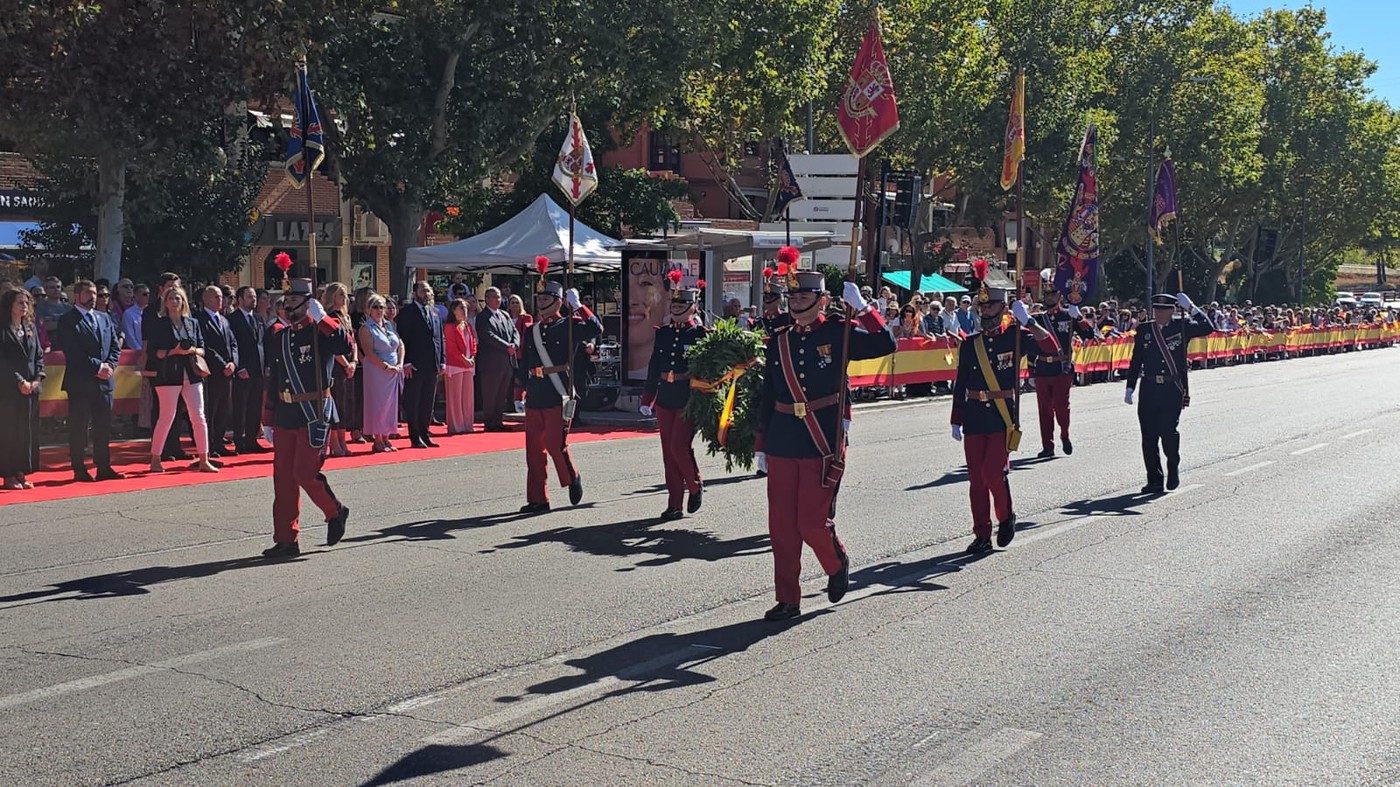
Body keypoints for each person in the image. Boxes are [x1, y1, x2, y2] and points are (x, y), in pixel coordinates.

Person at [754, 267, 895, 621]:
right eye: (792, 297)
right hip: (783, 438)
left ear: (822, 300)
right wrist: (761, 443)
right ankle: (788, 598)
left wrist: (863, 309)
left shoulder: (838, 332)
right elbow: (769, 393)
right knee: (782, 527)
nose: (796, 303)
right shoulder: (779, 340)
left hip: (821, 437)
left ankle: (836, 562)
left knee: (811, 522)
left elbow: (885, 344)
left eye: (803, 297)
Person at [949, 262, 1058, 554]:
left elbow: (1051, 349)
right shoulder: (970, 344)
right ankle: (982, 534)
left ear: (1002, 308)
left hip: (1001, 415)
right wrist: (956, 418)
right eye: (982, 307)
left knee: (993, 473)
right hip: (974, 415)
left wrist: (1030, 321)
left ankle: (1006, 515)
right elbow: (961, 383)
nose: (985, 311)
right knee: (976, 480)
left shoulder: (1015, 336)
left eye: (990, 306)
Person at [261, 279, 352, 558]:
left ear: (307, 303)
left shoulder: (321, 332)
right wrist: (267, 417)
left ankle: (335, 511)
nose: (288, 305)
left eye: (294, 301)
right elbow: (273, 379)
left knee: (304, 472)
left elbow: (344, 345)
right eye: (286, 301)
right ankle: (286, 539)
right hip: (286, 412)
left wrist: (323, 318)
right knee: (283, 479)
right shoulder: (280, 336)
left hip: (314, 412)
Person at [515, 279, 603, 513]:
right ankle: (538, 499)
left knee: (555, 444)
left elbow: (595, 328)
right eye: (539, 298)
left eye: (546, 298)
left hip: (558, 391)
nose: (541, 302)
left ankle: (572, 477)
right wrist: (519, 390)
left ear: (557, 302)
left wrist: (578, 307)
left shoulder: (569, 325)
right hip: (536, 392)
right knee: (534, 451)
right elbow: (525, 362)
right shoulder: (532, 330)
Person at [1124, 292, 1216, 494]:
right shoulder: (1145, 329)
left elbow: (1208, 328)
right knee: (1148, 436)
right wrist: (1130, 387)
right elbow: (1136, 359)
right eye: (1157, 310)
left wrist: (1191, 308)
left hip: (1171, 388)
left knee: (1168, 432)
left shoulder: (1182, 326)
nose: (1159, 314)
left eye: (1164, 310)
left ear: (1173, 310)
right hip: (1149, 387)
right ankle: (1154, 480)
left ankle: (1173, 466)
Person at [639, 278, 708, 521]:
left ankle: (695, 485)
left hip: (688, 397)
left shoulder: (700, 334)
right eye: (674, 304)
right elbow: (654, 366)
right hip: (665, 397)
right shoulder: (664, 333)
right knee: (668, 452)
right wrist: (648, 398)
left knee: (679, 446)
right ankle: (674, 504)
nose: (677, 308)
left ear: (692, 307)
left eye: (682, 305)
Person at [55, 280, 124, 482]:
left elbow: (114, 346)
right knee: (79, 427)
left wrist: (110, 365)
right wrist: (98, 367)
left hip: (104, 383)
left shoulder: (104, 317)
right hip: (81, 382)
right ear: (77, 295)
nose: (93, 297)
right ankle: (79, 469)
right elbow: (72, 351)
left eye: (94, 293)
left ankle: (103, 466)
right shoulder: (67, 320)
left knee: (103, 426)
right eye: (88, 293)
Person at [146, 286, 218, 474]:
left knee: (199, 416)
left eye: (178, 298)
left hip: (192, 374)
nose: (174, 302)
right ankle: (155, 458)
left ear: (183, 301)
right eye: (171, 298)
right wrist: (174, 351)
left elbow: (202, 348)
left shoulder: (192, 323)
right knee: (166, 416)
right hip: (168, 375)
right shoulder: (159, 325)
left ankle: (204, 459)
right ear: (165, 302)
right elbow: (153, 353)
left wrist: (191, 350)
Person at [1027, 283, 1096, 458]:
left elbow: (1089, 334)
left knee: (1061, 407)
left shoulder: (1068, 316)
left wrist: (1078, 317)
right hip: (1043, 368)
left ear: (1060, 296)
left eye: (1053, 293)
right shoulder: (1038, 319)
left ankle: (1065, 435)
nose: (1049, 297)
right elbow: (1029, 346)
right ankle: (1047, 446)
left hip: (1061, 369)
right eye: (1047, 294)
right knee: (1044, 410)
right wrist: (1031, 371)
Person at [0, 288, 44, 489]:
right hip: (8, 390)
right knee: (8, 431)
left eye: (27, 302)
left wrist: (37, 379)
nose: (24, 306)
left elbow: (39, 356)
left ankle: (21, 472)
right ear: (10, 305)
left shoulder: (30, 328)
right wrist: (19, 381)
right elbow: (3, 361)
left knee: (26, 432)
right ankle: (7, 474)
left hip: (30, 389)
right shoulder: (3, 329)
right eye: (20, 302)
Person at [396, 280, 444, 449]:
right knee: (414, 401)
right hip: (415, 365)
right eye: (423, 291)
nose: (427, 294)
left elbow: (440, 338)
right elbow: (403, 338)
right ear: (415, 293)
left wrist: (442, 361)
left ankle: (425, 433)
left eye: (429, 291)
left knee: (427, 402)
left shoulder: (434, 312)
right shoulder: (407, 312)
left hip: (432, 364)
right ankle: (415, 436)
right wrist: (406, 361)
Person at [195, 285, 240, 458]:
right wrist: (222, 365)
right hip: (212, 372)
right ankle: (209, 445)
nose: (220, 300)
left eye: (221, 297)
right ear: (205, 299)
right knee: (211, 409)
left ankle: (219, 442)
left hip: (228, 372)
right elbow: (206, 346)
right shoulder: (200, 320)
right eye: (216, 297)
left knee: (223, 408)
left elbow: (233, 343)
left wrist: (233, 363)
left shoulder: (224, 320)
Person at [359, 293, 403, 453]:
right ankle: (377, 439)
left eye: (381, 307)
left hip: (393, 370)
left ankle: (386, 437)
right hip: (377, 371)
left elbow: (400, 344)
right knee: (378, 404)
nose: (379, 310)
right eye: (375, 307)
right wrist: (386, 367)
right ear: (369, 309)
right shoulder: (366, 328)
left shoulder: (389, 325)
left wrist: (399, 363)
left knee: (390, 404)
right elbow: (369, 353)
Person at [322, 282, 360, 457]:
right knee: (336, 404)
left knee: (346, 405)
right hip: (336, 367)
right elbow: (333, 346)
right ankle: (334, 443)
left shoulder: (347, 317)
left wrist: (354, 361)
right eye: (340, 295)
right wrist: (345, 364)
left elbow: (353, 341)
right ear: (332, 297)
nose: (345, 298)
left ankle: (343, 441)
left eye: (345, 295)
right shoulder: (330, 317)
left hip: (349, 364)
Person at [229, 285, 267, 453]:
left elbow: (262, 343)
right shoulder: (233, 319)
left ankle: (252, 440)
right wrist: (239, 367)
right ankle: (240, 440)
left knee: (255, 407)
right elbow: (233, 345)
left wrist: (266, 365)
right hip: (243, 370)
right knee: (241, 407)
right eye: (250, 297)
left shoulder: (258, 318)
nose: (254, 300)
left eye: (254, 297)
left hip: (258, 369)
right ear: (240, 299)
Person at [475, 286, 519, 431]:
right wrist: (507, 346)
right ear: (487, 299)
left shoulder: (504, 315)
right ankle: (489, 422)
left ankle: (498, 421)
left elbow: (514, 331)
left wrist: (514, 344)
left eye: (499, 297)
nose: (497, 300)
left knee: (502, 393)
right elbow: (488, 336)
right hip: (491, 363)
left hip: (507, 361)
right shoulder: (483, 317)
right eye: (494, 297)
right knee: (490, 394)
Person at [443, 298, 477, 435]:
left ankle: (467, 425)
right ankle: (456, 426)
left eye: (465, 308)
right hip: (455, 365)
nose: (465, 311)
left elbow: (473, 343)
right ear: (454, 310)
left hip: (468, 365)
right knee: (455, 397)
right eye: (461, 308)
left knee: (467, 397)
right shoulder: (450, 327)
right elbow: (451, 348)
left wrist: (472, 357)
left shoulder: (467, 326)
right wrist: (464, 359)